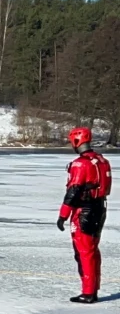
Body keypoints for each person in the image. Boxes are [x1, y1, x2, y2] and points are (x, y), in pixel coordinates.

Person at [57, 126, 112, 303]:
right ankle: (92, 289)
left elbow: (72, 192)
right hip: (100, 208)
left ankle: (88, 293)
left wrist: (63, 215)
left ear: (76, 141)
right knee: (93, 250)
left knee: (84, 252)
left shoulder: (80, 164)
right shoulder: (102, 160)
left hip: (84, 211)